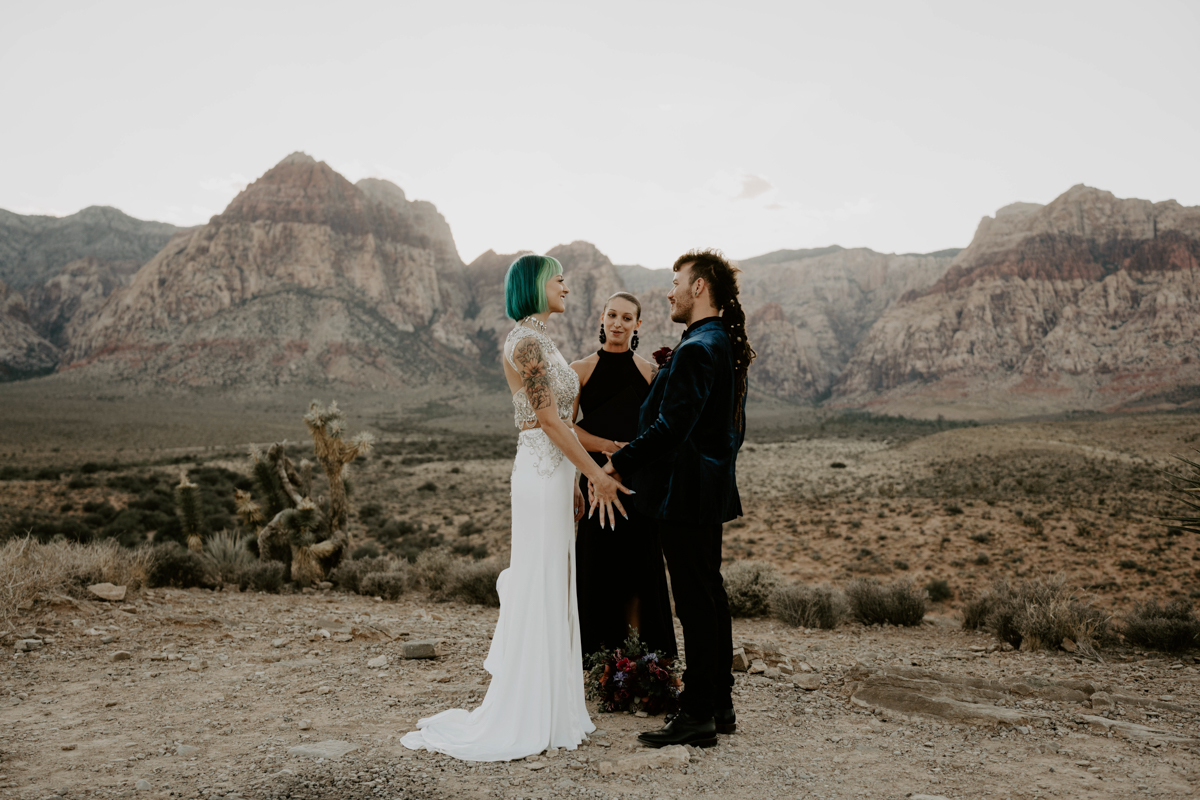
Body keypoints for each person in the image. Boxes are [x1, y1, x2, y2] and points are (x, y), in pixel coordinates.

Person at [401, 254, 631, 762]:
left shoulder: (545, 340)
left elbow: (564, 424)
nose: (566, 286)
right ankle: (526, 712)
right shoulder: (525, 342)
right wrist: (594, 473)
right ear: (535, 285)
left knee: (556, 580)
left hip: (557, 474)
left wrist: (576, 477)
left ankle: (554, 708)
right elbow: (549, 420)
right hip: (538, 471)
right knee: (539, 579)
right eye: (558, 278)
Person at [598, 248, 754, 749]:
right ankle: (719, 703)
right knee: (710, 596)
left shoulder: (697, 348)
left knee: (694, 602)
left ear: (699, 287)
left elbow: (670, 427)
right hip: (706, 489)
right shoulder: (717, 343)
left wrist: (617, 462)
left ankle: (696, 715)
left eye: (676, 281)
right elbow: (731, 429)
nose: (670, 290)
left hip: (684, 494)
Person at [570, 292, 677, 661]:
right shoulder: (579, 370)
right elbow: (566, 430)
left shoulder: (651, 372)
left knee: (639, 571)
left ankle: (639, 659)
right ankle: (598, 660)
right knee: (598, 570)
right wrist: (608, 447)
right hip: (595, 478)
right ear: (601, 318)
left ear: (637, 325)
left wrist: (627, 456)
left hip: (637, 484)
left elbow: (661, 430)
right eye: (612, 315)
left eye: (627, 318)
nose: (618, 323)